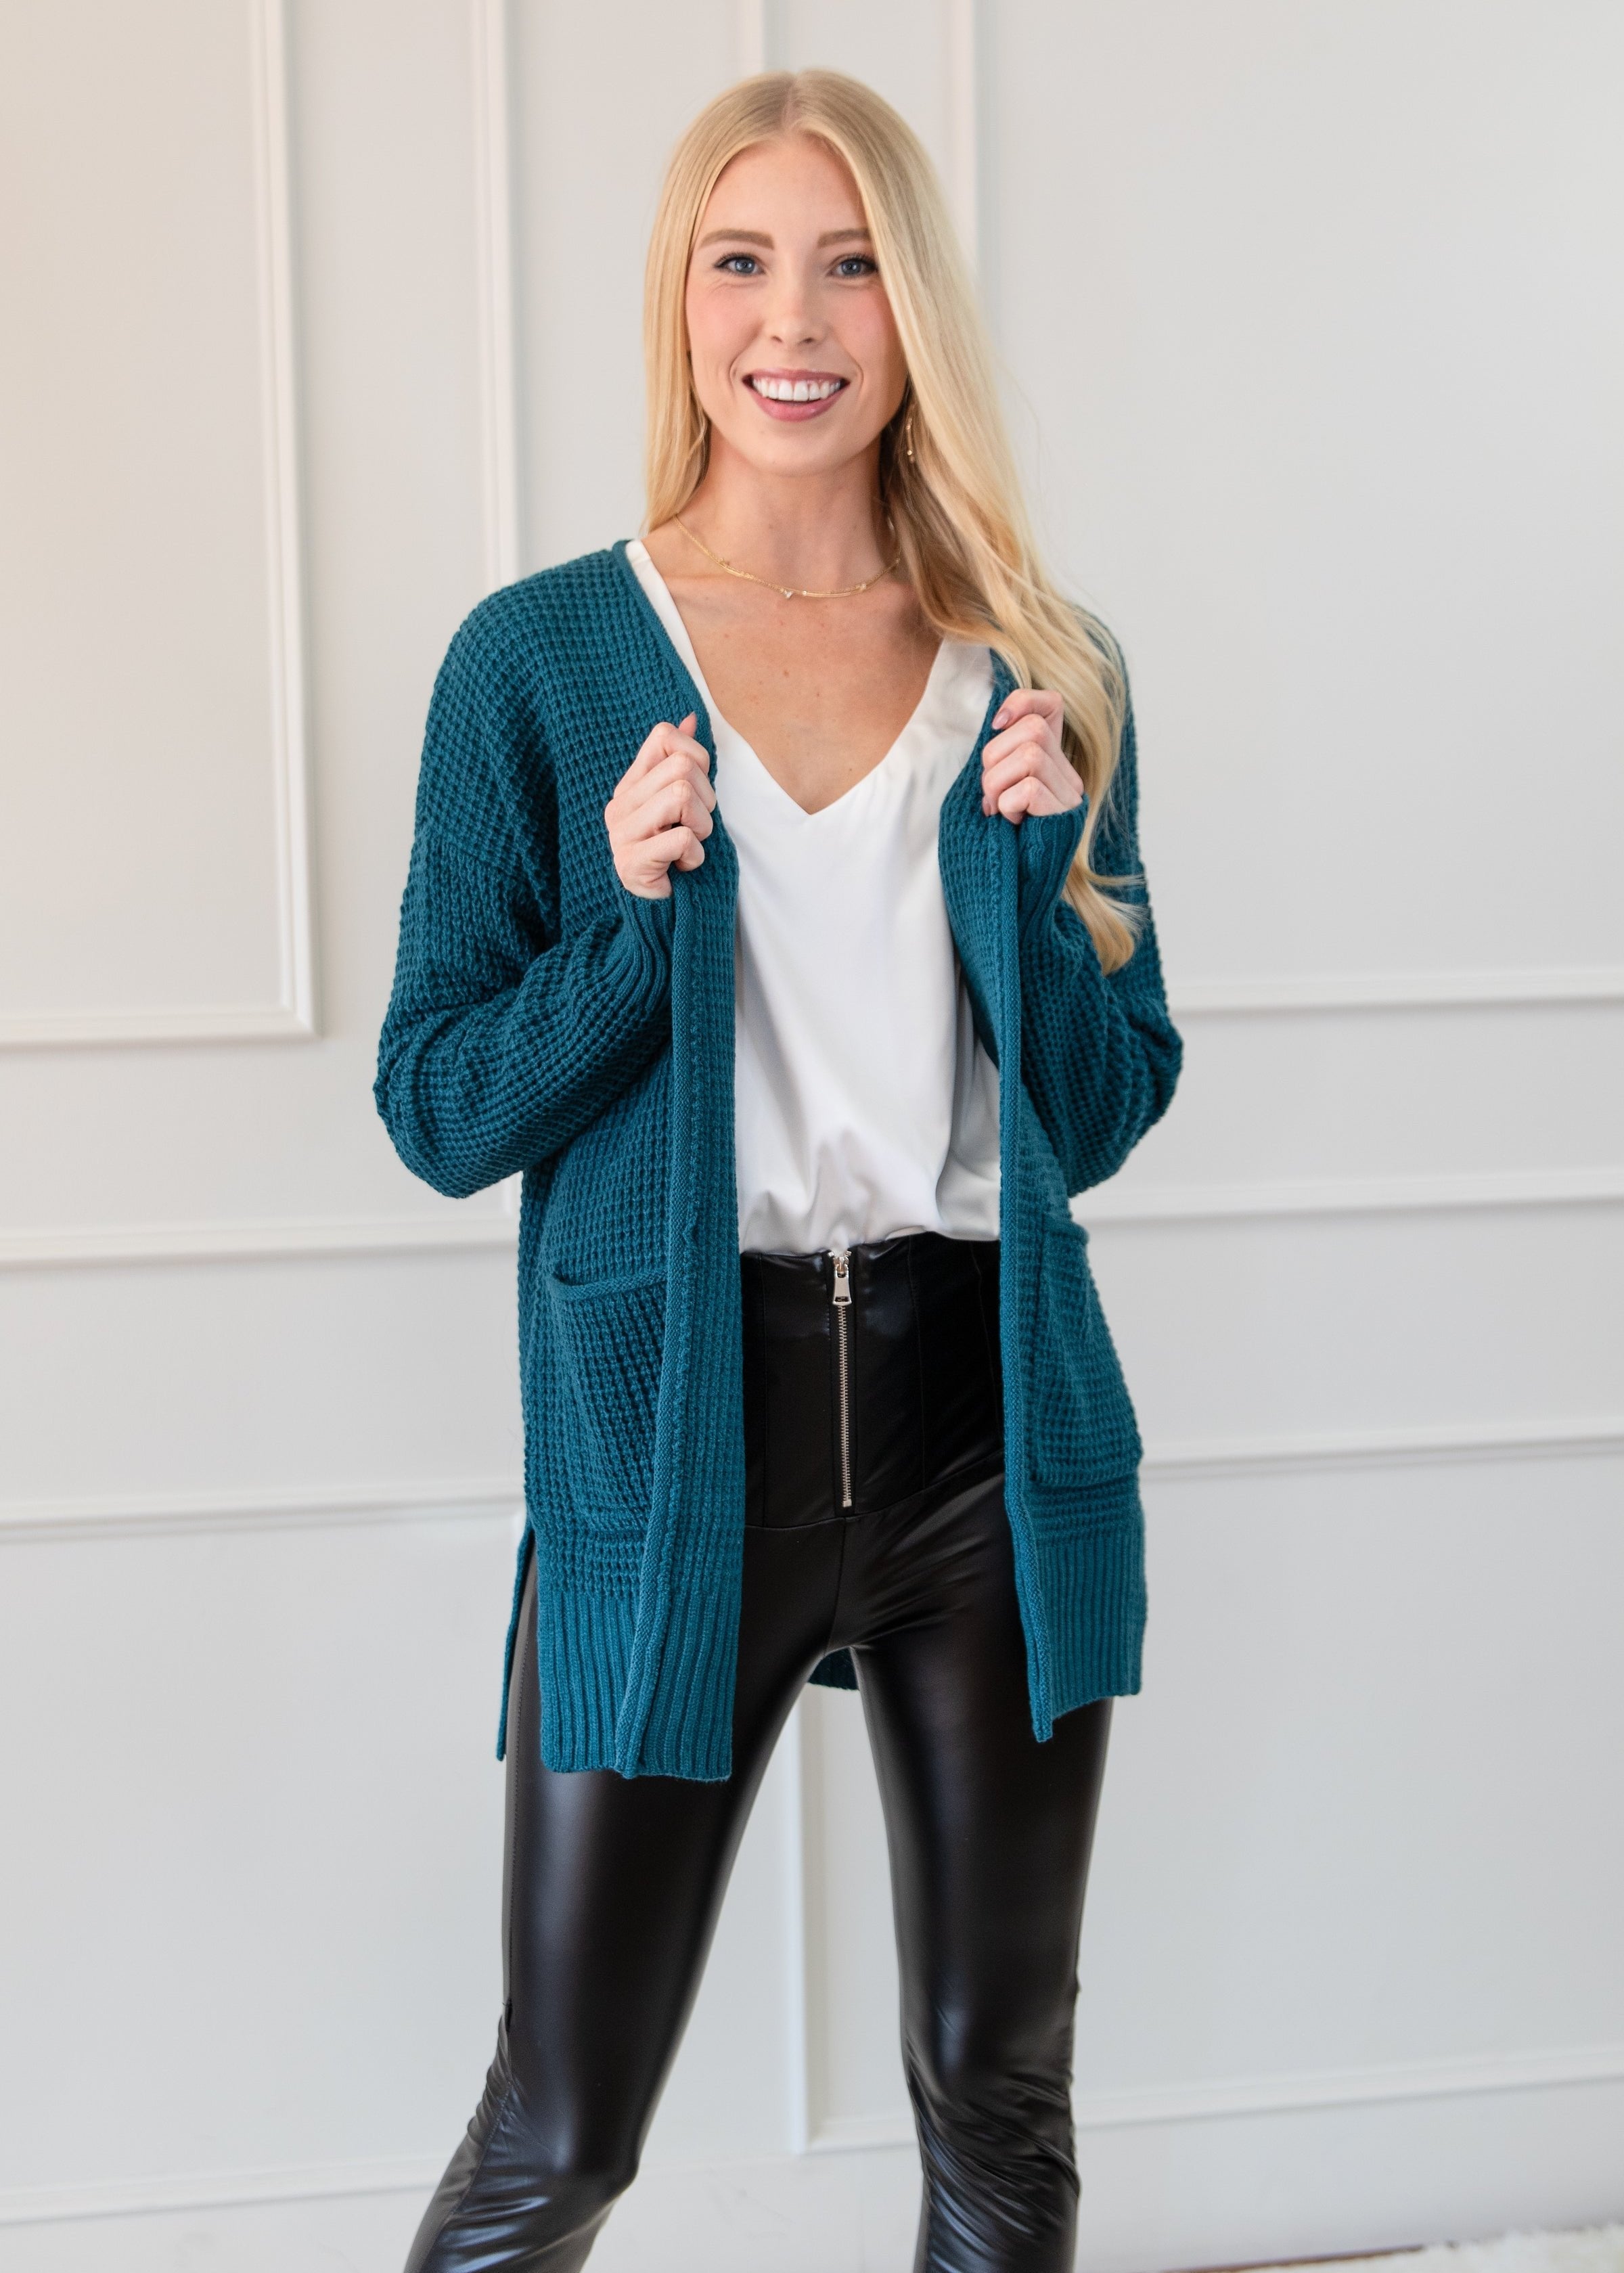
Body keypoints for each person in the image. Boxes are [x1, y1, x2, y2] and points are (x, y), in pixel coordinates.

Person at [375, 66, 1181, 2273]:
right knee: (565, 2129)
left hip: (982, 1436)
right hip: (674, 1442)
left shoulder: (1045, 666)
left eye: (851, 264)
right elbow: (437, 1106)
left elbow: (1110, 1105)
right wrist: (628, 929)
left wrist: (1040, 887)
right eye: (742, 261)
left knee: (1001, 2110)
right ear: (681, 300)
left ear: (915, 309)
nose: (794, 319)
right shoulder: (541, 663)